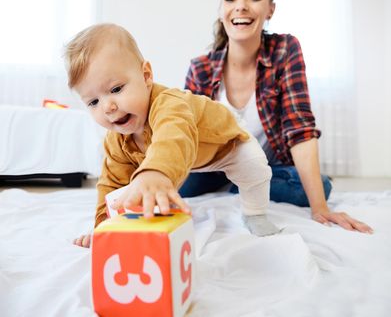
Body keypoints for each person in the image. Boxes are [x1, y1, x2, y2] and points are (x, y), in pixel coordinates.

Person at [180, 0, 373, 234]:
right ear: (221, 9)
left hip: (264, 166)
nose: (241, 6)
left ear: (270, 9)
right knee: (164, 182)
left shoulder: (285, 50)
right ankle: (236, 181)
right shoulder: (200, 68)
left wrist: (320, 209)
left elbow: (300, 129)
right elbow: (184, 136)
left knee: (321, 187)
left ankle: (243, 183)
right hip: (213, 166)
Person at [65, 23, 280, 248]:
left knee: (255, 168)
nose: (107, 106)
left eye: (116, 89)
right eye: (93, 102)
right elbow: (111, 185)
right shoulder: (116, 140)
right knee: (148, 187)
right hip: (191, 159)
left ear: (146, 75)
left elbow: (173, 137)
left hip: (227, 141)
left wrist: (155, 172)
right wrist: (103, 226)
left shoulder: (169, 104)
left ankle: (255, 214)